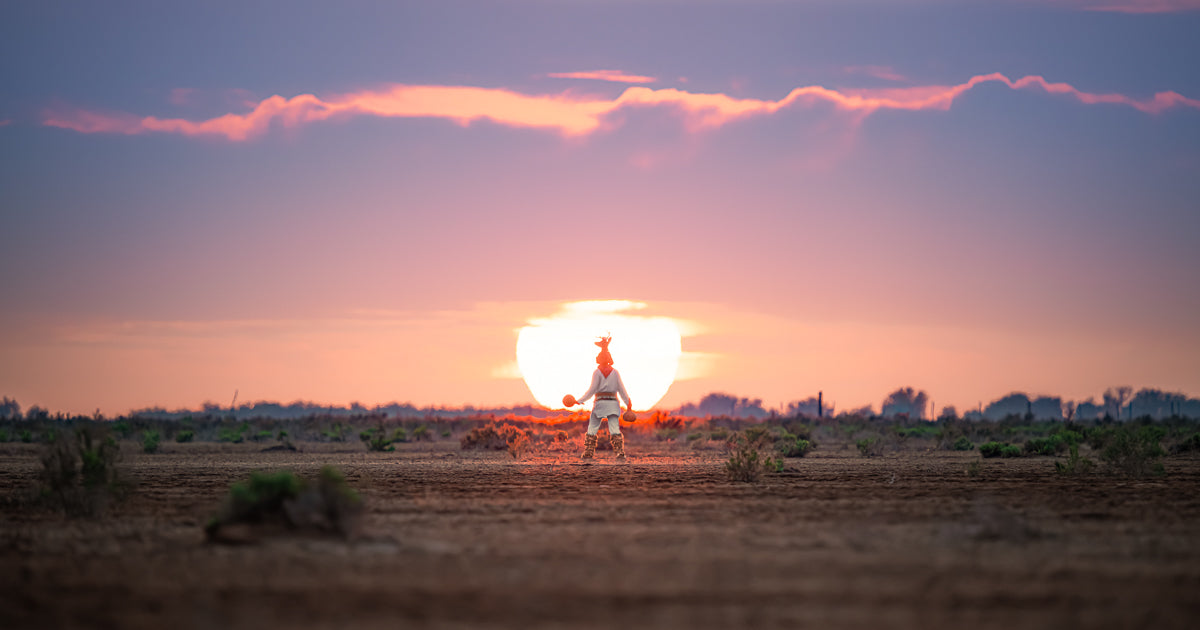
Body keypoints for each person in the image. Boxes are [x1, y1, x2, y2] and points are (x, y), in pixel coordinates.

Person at [565, 335, 632, 461]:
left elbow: (592, 390)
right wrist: (628, 403)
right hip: (613, 404)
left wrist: (579, 401)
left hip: (600, 404)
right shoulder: (615, 372)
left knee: (592, 427)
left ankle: (588, 453)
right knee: (614, 428)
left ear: (599, 359)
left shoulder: (597, 372)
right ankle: (620, 453)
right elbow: (622, 389)